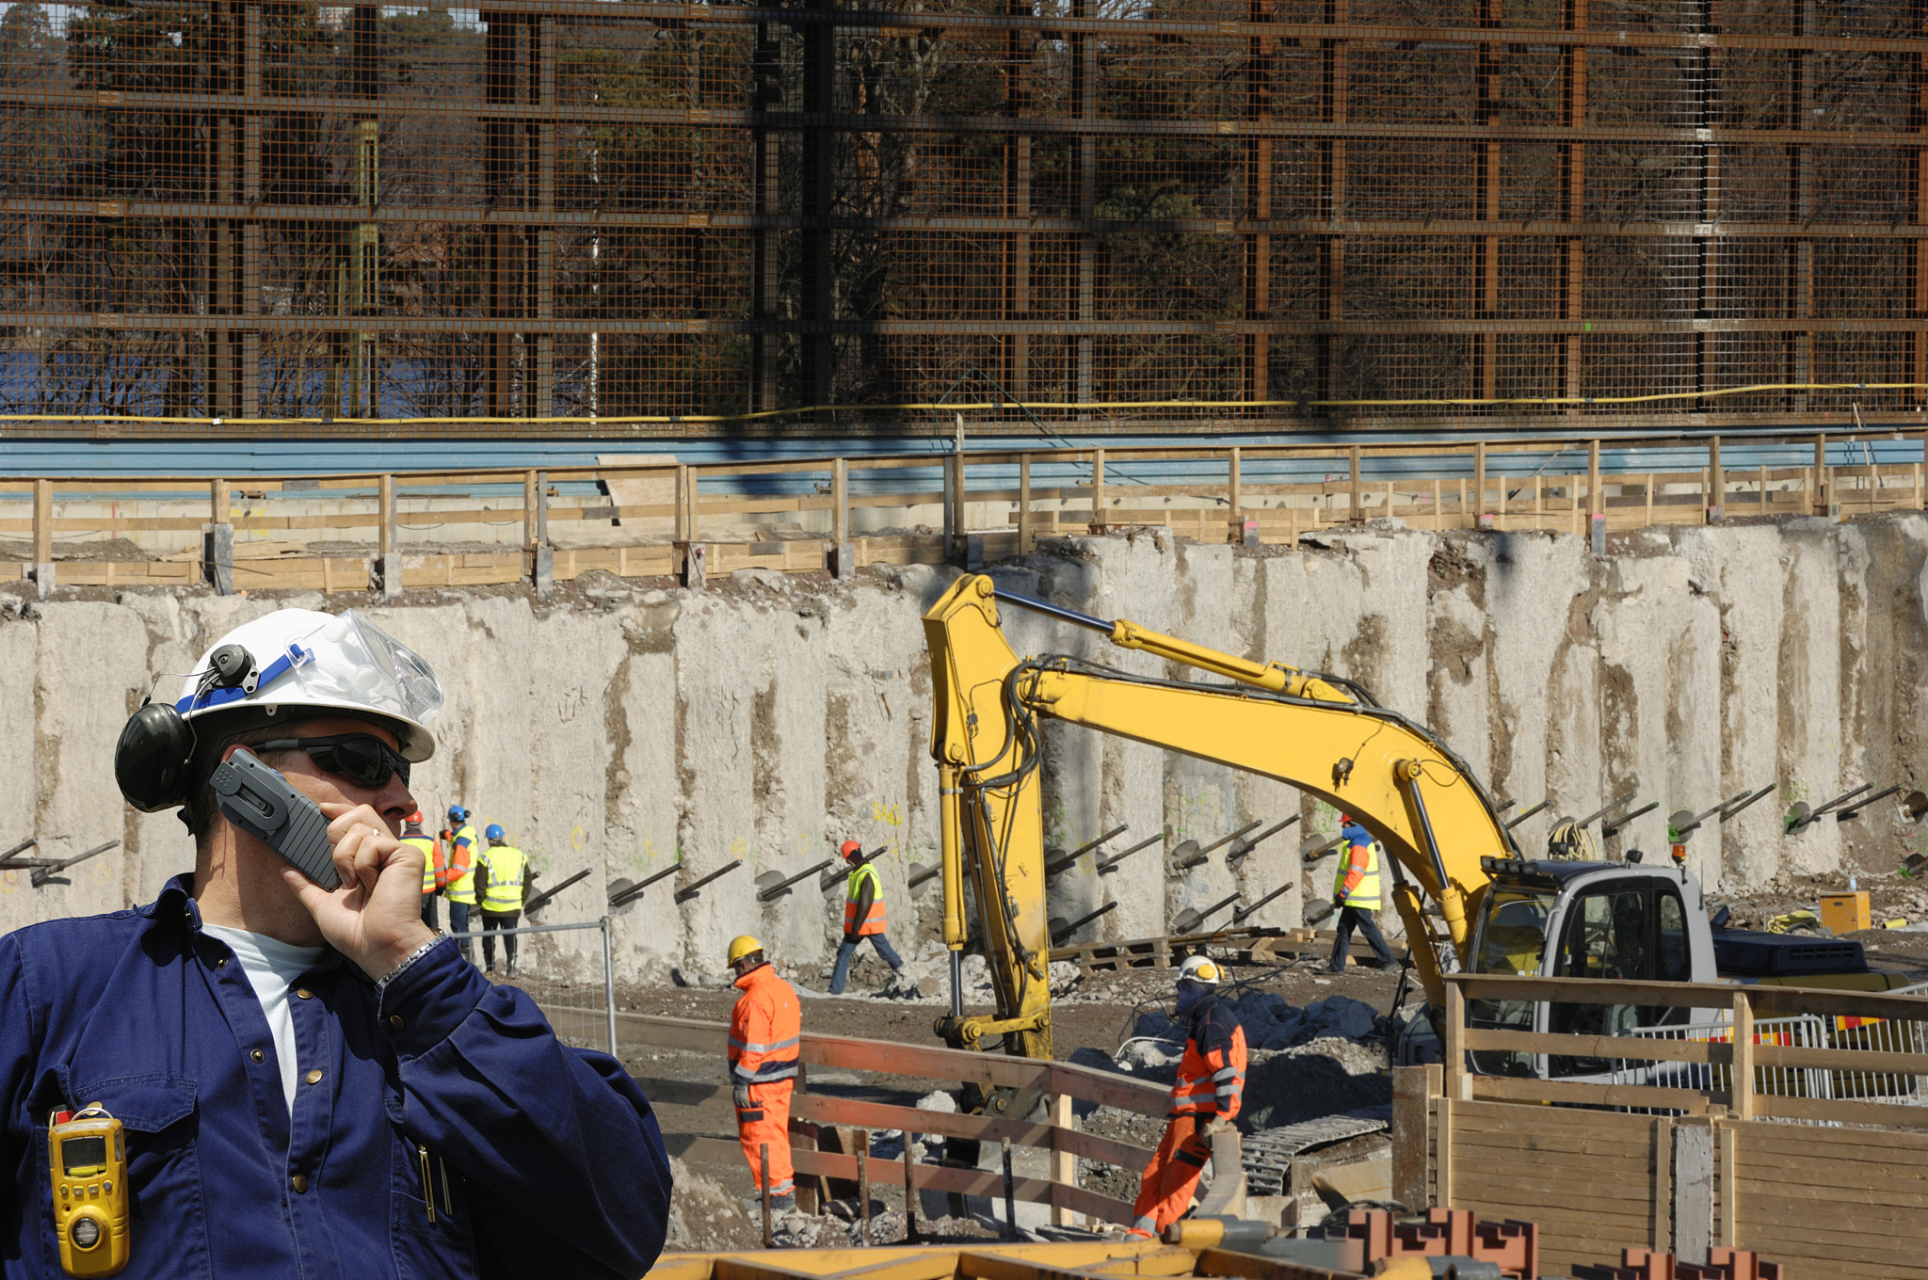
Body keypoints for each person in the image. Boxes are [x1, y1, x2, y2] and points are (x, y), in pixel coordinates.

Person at [0, 606, 671, 1278]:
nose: (405, 800)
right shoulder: (48, 988)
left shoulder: (433, 1022)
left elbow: (625, 1225)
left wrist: (415, 971)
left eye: (403, 769)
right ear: (245, 781)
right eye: (364, 759)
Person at [1129, 955, 1246, 1237]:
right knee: (1154, 1177)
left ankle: (1161, 1256)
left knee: (1174, 1191)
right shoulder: (1210, 1019)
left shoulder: (1211, 1024)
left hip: (1197, 1121)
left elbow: (1229, 1076)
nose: (1179, 994)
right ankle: (1139, 1238)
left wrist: (1220, 1119)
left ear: (1198, 988)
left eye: (1184, 988)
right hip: (1185, 1118)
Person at [727, 934, 800, 1212]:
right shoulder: (783, 989)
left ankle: (776, 1199)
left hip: (759, 1084)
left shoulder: (754, 1000)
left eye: (736, 967)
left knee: (758, 1139)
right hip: (781, 1079)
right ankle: (782, 1193)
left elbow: (754, 1048)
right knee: (776, 1136)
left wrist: (742, 1083)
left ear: (744, 965)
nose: (735, 973)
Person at [828, 840, 904, 995]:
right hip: (860, 924)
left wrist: (856, 926)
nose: (847, 862)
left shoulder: (866, 873)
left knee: (886, 953)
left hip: (866, 925)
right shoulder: (860, 872)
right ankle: (834, 991)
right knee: (844, 952)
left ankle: (905, 972)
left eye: (848, 858)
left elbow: (865, 903)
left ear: (853, 855)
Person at [1328, 814, 1397, 974]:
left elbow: (1356, 871)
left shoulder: (1359, 843)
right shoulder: (1358, 840)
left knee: (1368, 929)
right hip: (1354, 897)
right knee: (1344, 929)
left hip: (1358, 896)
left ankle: (1389, 961)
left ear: (1352, 824)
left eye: (1344, 824)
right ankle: (1336, 966)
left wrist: (1343, 892)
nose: (1342, 827)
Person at [477, 823, 527, 978]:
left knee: (488, 938)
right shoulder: (519, 855)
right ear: (502, 838)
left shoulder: (485, 857)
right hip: (512, 906)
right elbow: (528, 881)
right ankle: (511, 968)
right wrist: (520, 900)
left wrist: (480, 901)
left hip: (490, 907)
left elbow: (479, 884)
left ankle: (490, 968)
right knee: (510, 937)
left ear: (489, 840)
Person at [444, 804, 478, 962]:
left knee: (458, 926)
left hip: (460, 891)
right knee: (462, 925)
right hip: (466, 889)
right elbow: (458, 840)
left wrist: (443, 878)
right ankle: (468, 956)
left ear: (451, 821)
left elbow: (459, 869)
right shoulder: (467, 834)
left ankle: (465, 958)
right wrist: (448, 835)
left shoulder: (461, 842)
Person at [402, 810, 445, 930]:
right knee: (431, 926)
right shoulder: (430, 842)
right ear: (420, 824)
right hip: (429, 893)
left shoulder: (399, 842)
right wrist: (441, 886)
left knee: (410, 926)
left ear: (406, 824)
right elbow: (439, 868)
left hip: (408, 893)